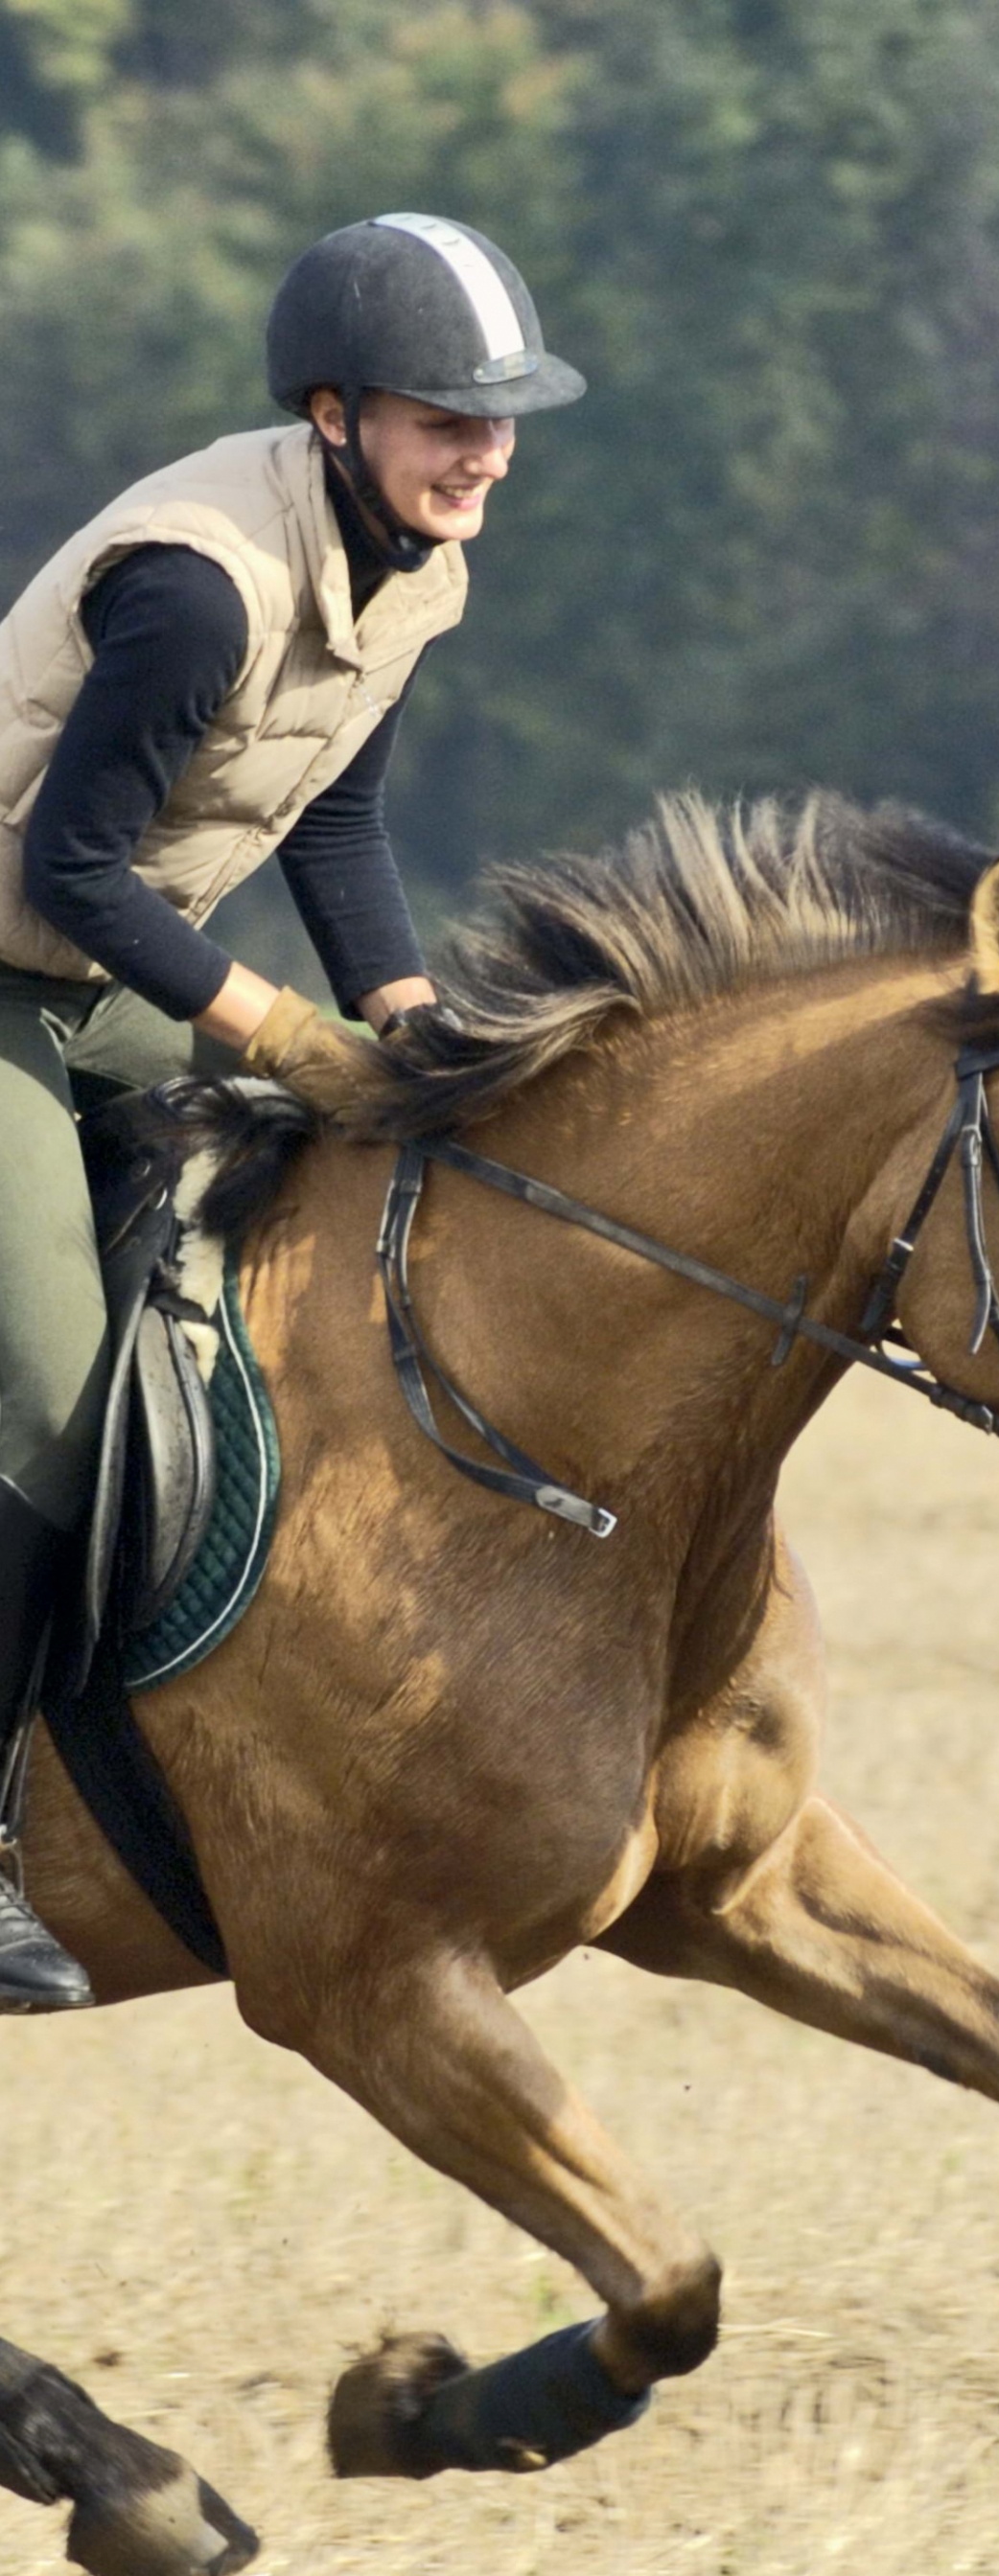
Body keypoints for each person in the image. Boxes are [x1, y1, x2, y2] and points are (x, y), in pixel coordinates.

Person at [0, 211, 585, 2010]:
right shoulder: (197, 586)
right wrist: (279, 1028)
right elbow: (71, 867)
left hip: (97, 988)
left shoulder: (417, 563)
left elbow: (329, 815)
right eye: (442, 418)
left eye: (499, 418)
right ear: (333, 414)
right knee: (57, 1383)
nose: (483, 450)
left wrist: (407, 1029)